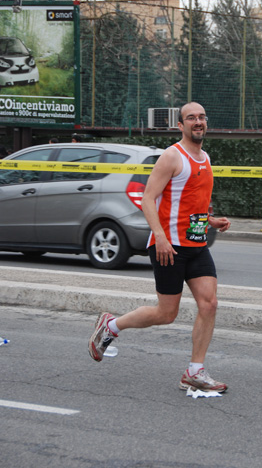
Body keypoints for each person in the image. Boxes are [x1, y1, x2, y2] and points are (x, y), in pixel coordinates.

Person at [88, 101, 231, 392]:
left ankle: (195, 371)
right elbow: (147, 198)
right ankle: (111, 326)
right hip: (168, 246)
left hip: (196, 244)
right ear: (181, 125)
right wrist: (160, 237)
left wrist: (211, 220)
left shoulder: (204, 157)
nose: (198, 121)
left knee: (210, 303)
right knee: (166, 314)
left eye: (202, 117)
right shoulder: (171, 156)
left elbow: (192, 203)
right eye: (191, 118)